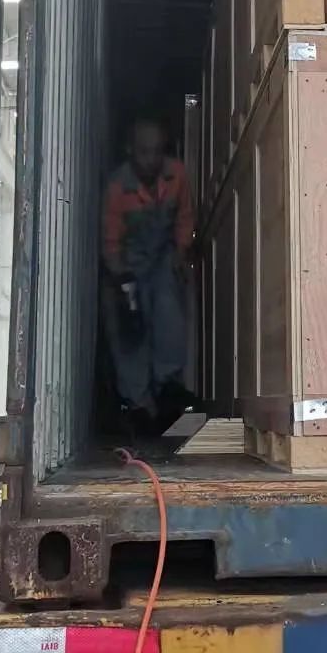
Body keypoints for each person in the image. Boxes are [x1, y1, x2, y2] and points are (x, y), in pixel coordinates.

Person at [101, 118, 194, 424]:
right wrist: (123, 281)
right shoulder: (118, 187)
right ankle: (138, 403)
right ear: (130, 150)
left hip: (163, 258)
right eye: (144, 152)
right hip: (127, 265)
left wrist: (180, 252)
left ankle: (167, 390)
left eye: (157, 151)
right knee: (130, 330)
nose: (151, 159)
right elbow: (111, 242)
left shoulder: (176, 174)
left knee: (169, 315)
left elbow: (184, 218)